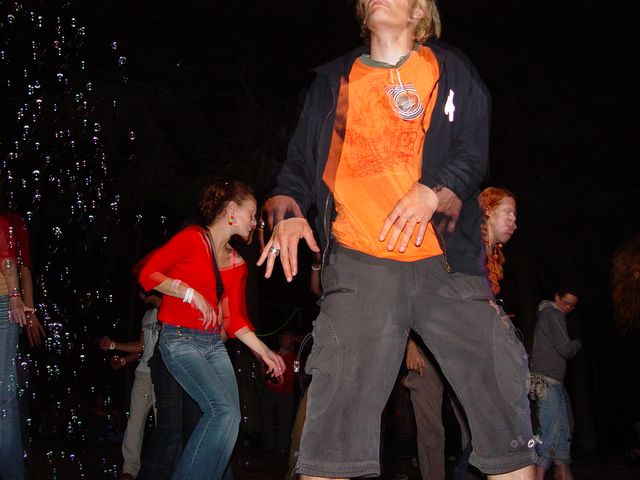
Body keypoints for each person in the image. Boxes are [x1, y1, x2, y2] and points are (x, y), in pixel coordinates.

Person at [257, 1, 535, 478]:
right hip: (361, 264)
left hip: (446, 263)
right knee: (333, 426)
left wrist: (435, 189)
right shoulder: (332, 83)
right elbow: (297, 166)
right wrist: (287, 212)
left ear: (420, 10)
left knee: (501, 400)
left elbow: (473, 150)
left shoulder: (451, 70)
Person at [138, 178, 286, 480]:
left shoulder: (237, 264)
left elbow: (234, 320)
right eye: (251, 214)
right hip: (180, 340)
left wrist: (265, 352)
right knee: (222, 412)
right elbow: (147, 274)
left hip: (213, 346)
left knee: (231, 420)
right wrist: (188, 293)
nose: (255, 222)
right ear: (231, 210)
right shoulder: (192, 238)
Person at [403, 186, 518, 480]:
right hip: (427, 342)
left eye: (515, 216)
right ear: (487, 212)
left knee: (474, 419)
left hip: (465, 345)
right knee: (430, 426)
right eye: (508, 213)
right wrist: (411, 341)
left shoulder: (493, 258)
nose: (514, 222)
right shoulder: (460, 240)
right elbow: (420, 283)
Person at [99, 290, 162, 480]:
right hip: (143, 374)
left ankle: (164, 469)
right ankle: (130, 470)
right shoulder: (147, 315)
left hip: (163, 377)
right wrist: (114, 348)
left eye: (141, 290)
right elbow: (142, 347)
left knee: (163, 424)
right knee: (134, 423)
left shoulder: (170, 310)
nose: (139, 295)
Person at [529, 287, 581, 480]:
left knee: (563, 426)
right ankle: (538, 474)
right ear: (557, 297)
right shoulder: (553, 314)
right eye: (566, 302)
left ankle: (562, 470)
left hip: (545, 380)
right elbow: (566, 349)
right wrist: (578, 343)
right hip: (545, 380)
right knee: (550, 427)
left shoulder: (547, 315)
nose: (568, 307)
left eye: (572, 306)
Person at [0, 214, 34, 480]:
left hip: (2, 306)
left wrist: (15, 296)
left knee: (4, 396)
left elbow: (9, 259)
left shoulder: (5, 222)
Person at [261, 330, 297, 460]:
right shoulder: (273, 353)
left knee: (284, 421)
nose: (288, 340)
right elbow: (265, 370)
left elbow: (296, 373)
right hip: (270, 391)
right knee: (266, 417)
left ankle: (282, 449)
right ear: (280, 340)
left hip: (286, 393)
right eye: (286, 338)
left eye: (290, 338)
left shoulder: (295, 358)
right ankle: (269, 445)